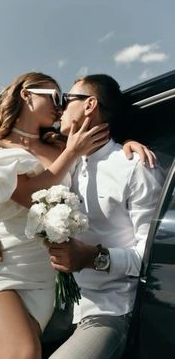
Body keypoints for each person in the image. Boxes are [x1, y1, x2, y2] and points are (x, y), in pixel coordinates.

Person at [0, 71, 113, 359]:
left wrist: (131, 147)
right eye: (55, 97)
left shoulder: (60, 143)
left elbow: (102, 164)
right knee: (24, 352)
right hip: (2, 264)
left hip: (44, 275)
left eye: (64, 99)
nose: (60, 105)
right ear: (26, 94)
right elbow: (27, 196)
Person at [46, 74, 165, 358]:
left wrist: (91, 257)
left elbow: (151, 256)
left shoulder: (135, 166)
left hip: (111, 307)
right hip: (60, 302)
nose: (59, 109)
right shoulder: (67, 162)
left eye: (66, 100)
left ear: (89, 105)